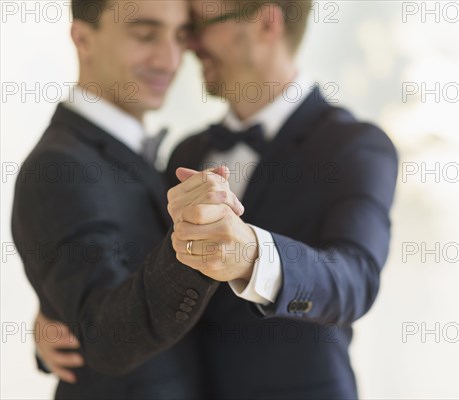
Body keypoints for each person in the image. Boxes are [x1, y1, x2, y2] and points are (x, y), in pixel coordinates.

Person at [35, 0, 399, 398]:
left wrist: (253, 257)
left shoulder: (355, 146)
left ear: (265, 23)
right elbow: (135, 271)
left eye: (200, 25)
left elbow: (355, 278)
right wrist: (58, 310)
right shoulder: (186, 154)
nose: (186, 47)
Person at [11, 0, 241, 398]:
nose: (170, 60)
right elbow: (106, 336)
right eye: (145, 34)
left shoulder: (149, 154)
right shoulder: (56, 168)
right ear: (83, 38)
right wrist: (197, 241)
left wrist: (59, 306)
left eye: (180, 36)